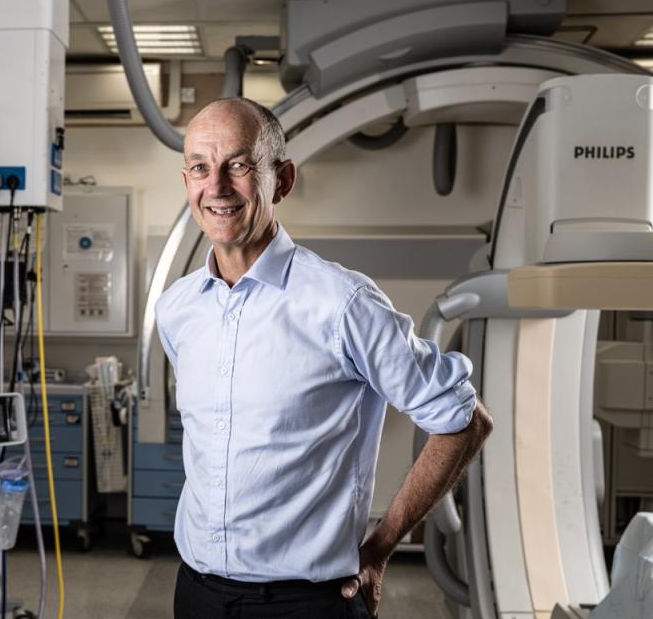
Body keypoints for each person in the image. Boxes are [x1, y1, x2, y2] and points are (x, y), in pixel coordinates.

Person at [155, 97, 494, 619]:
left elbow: (463, 420)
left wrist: (382, 544)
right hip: (197, 594)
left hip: (308, 603)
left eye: (239, 165)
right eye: (201, 167)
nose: (216, 186)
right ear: (186, 183)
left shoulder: (342, 304)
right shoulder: (178, 309)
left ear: (282, 180)